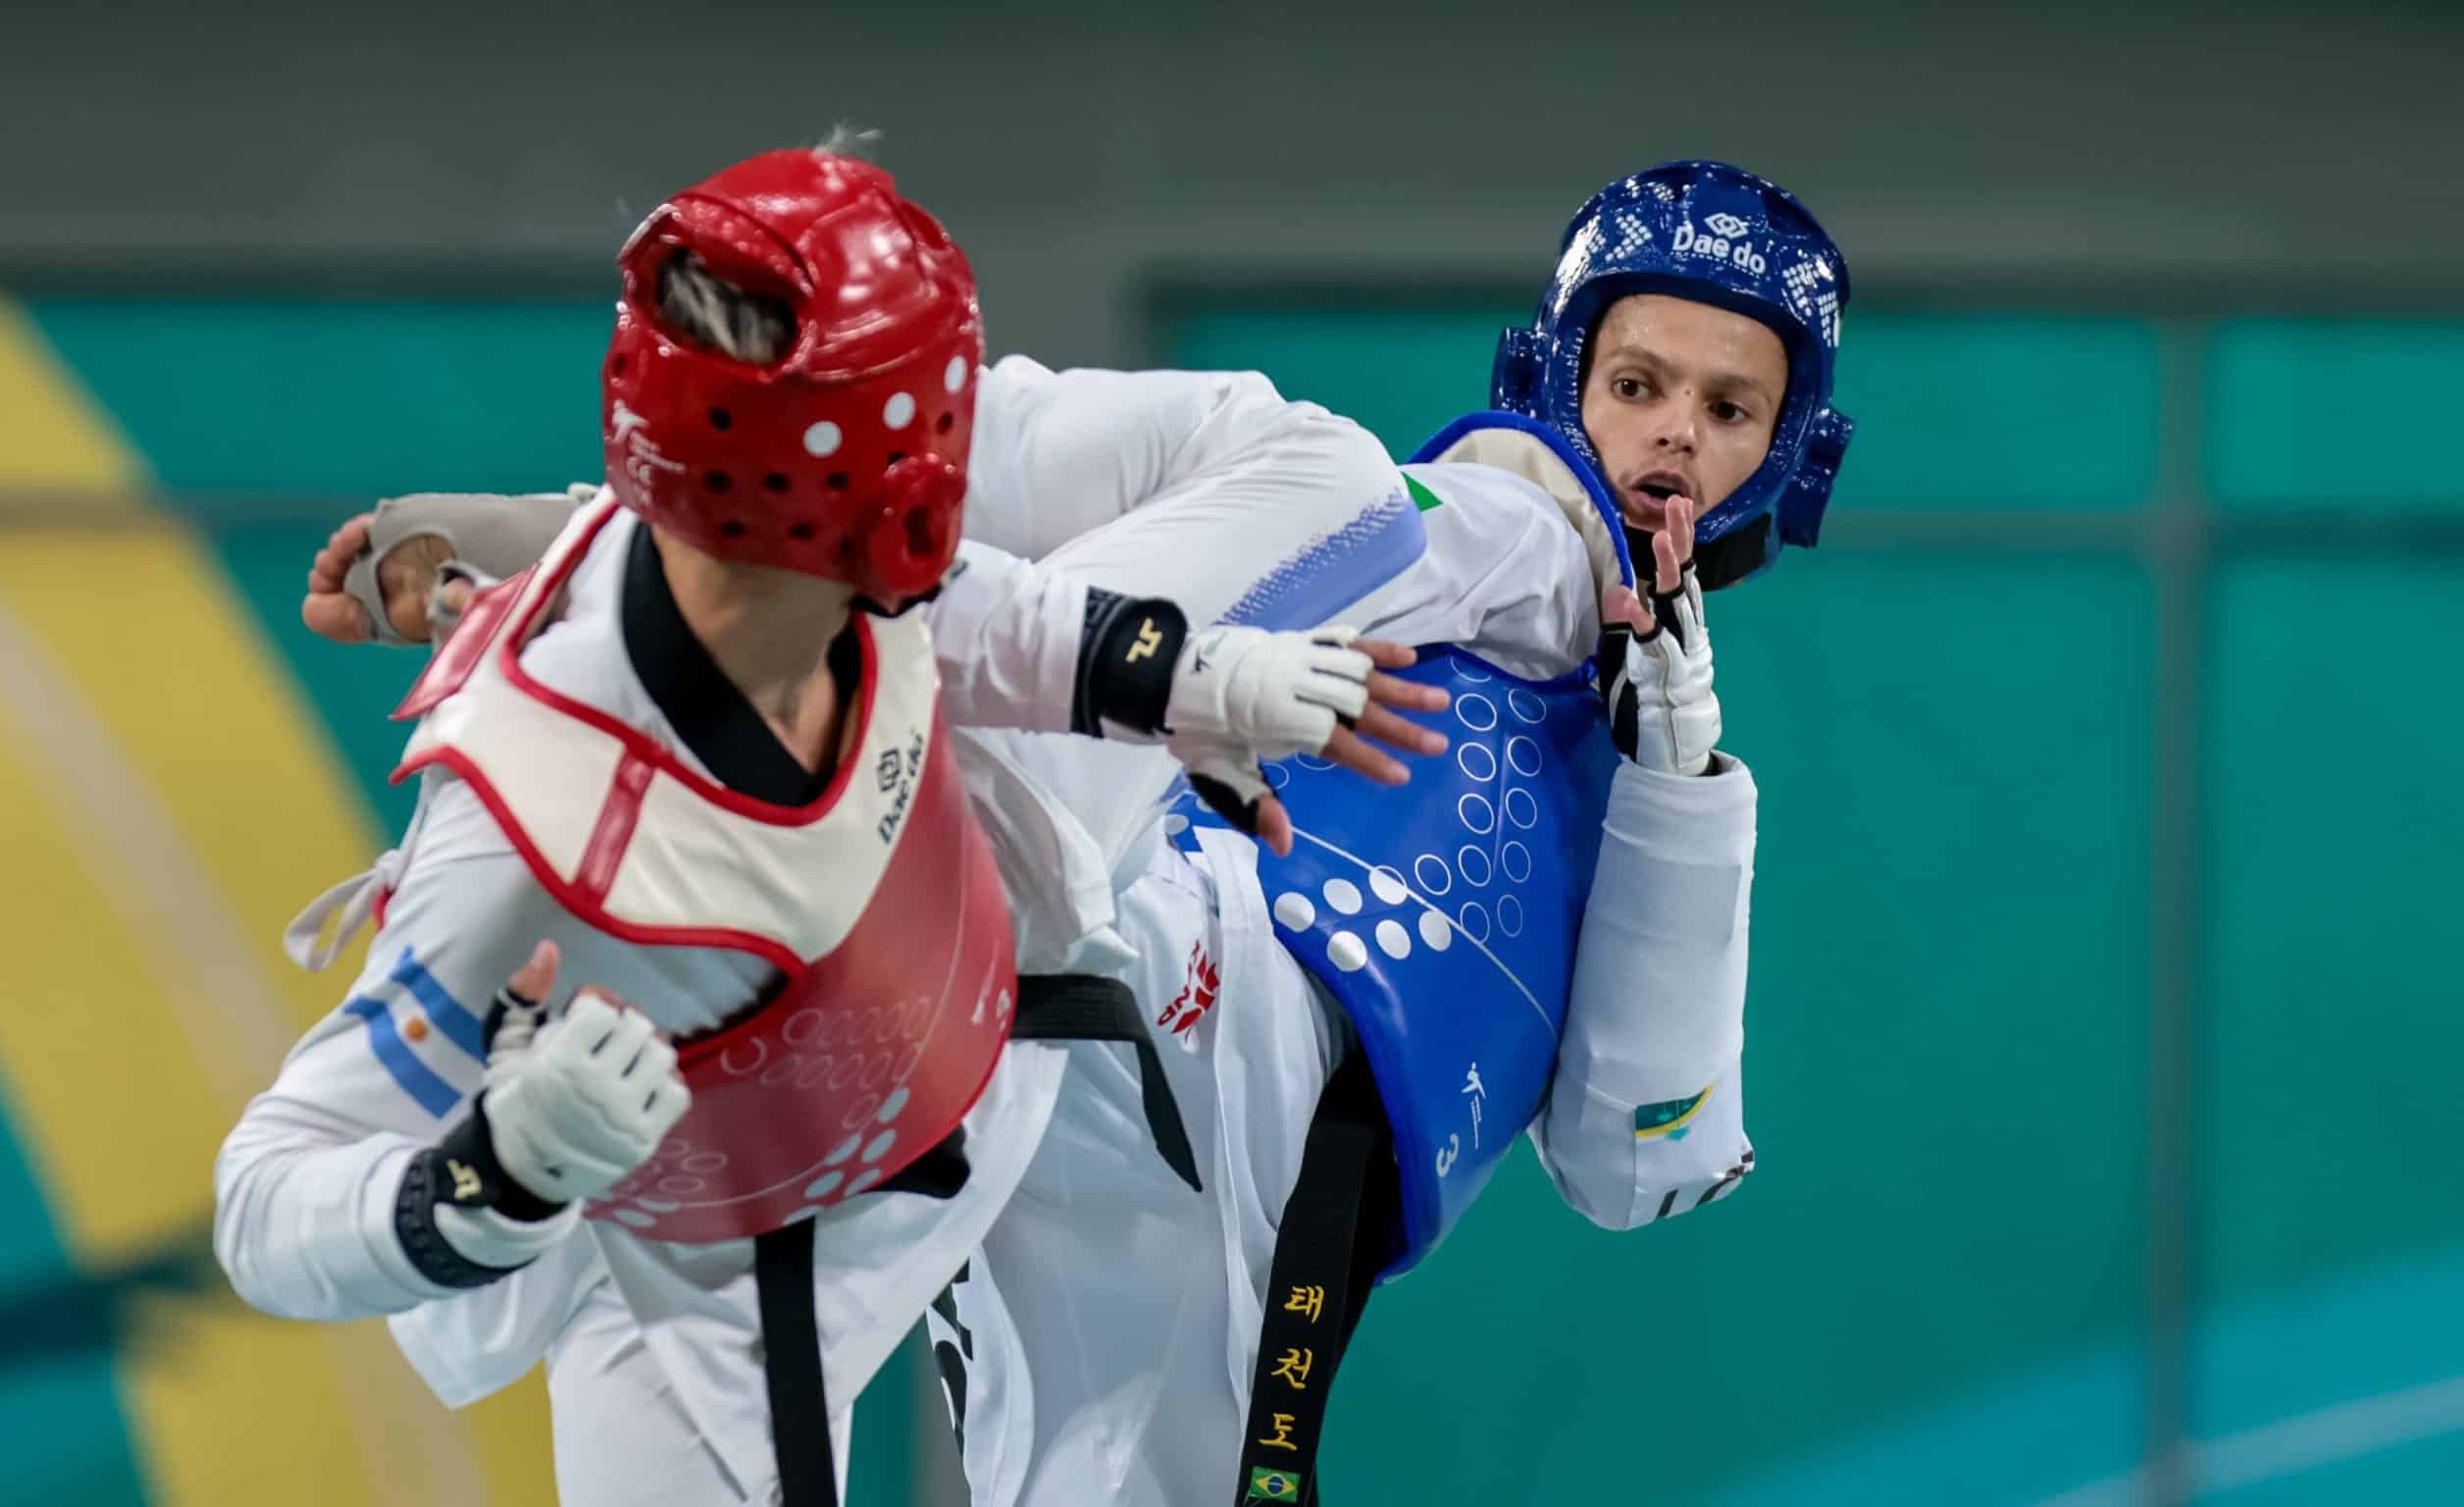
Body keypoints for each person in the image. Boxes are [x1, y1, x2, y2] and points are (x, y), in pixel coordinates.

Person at [314, 158, 1853, 1505]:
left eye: (1730, 410)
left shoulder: (1650, 779)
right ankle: (682, 632)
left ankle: (697, 817)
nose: (1671, 440)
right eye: (1636, 383)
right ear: (1557, 376)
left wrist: (1675, 782)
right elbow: (1020, 458)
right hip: (1141, 936)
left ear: (1789, 457)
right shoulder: (1460, 521)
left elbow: (1639, 1162)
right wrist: (569, 539)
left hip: (1227, 1165)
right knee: (1295, 477)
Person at [210, 146, 1443, 1507]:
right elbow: (264, 1202)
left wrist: (1197, 680)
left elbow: (969, 614)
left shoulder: (850, 567)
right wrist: (491, 1173)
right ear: (896, 492)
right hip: (709, 1249)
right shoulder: (524, 830)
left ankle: (552, 538)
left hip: (991, 925)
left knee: (1344, 491)